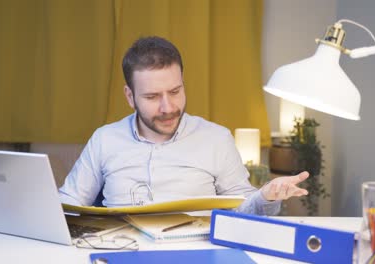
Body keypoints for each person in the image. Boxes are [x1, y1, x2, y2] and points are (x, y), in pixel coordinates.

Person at [59, 36, 309, 215]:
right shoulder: (105, 139)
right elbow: (68, 203)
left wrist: (267, 195)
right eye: (152, 97)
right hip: (122, 252)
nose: (168, 107)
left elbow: (243, 207)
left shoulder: (216, 138)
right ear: (129, 96)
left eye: (175, 91)